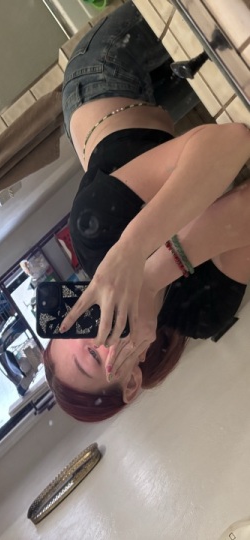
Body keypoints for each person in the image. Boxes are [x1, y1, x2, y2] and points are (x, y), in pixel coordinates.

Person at [43, 0, 250, 422]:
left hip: (106, 80)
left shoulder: (96, 235)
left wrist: (134, 248)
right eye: (92, 354)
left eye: (78, 320)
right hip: (162, 126)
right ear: (131, 382)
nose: (95, 323)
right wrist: (154, 275)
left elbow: (235, 141)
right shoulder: (202, 313)